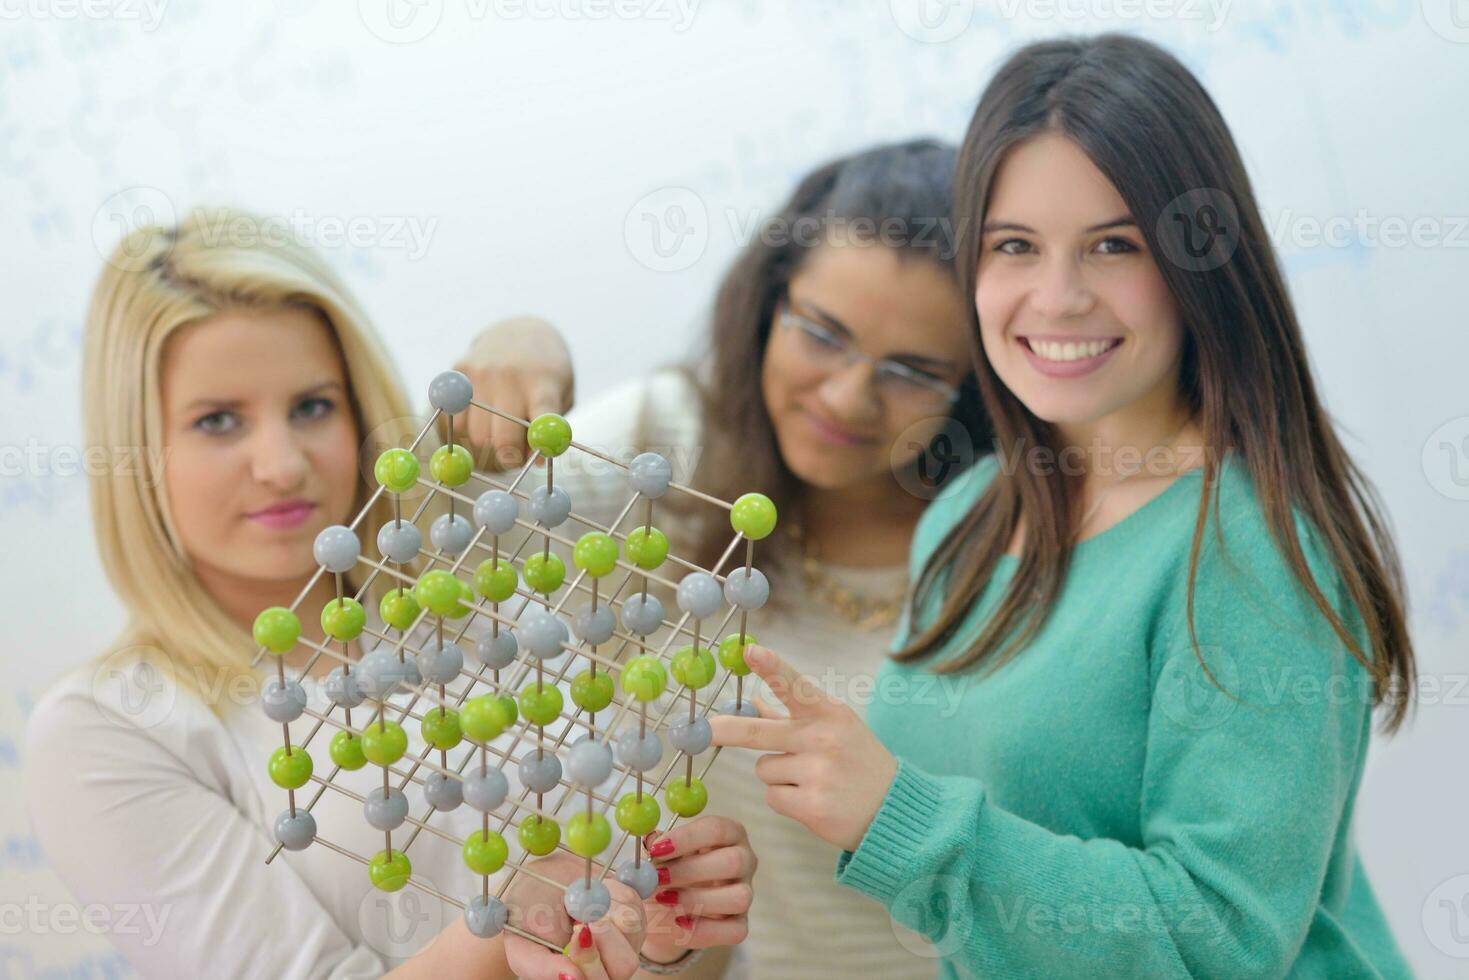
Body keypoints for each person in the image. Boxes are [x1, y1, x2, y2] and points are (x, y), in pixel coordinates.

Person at [710, 34, 1415, 978]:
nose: (1058, 297)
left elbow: (1224, 943)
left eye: (1113, 246)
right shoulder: (966, 515)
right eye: (1014, 246)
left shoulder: (1251, 548)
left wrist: (901, 818)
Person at [22, 207, 754, 980]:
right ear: (136, 452)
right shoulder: (109, 727)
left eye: (311, 406)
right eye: (217, 421)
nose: (279, 464)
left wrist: (679, 939)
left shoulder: (467, 575)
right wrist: (505, 930)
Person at [453, 139, 988, 977]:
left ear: (976, 387)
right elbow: (427, 549)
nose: (848, 396)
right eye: (821, 333)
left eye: (912, 371)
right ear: (767, 303)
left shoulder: (1010, 552)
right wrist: (518, 344)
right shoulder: (665, 456)